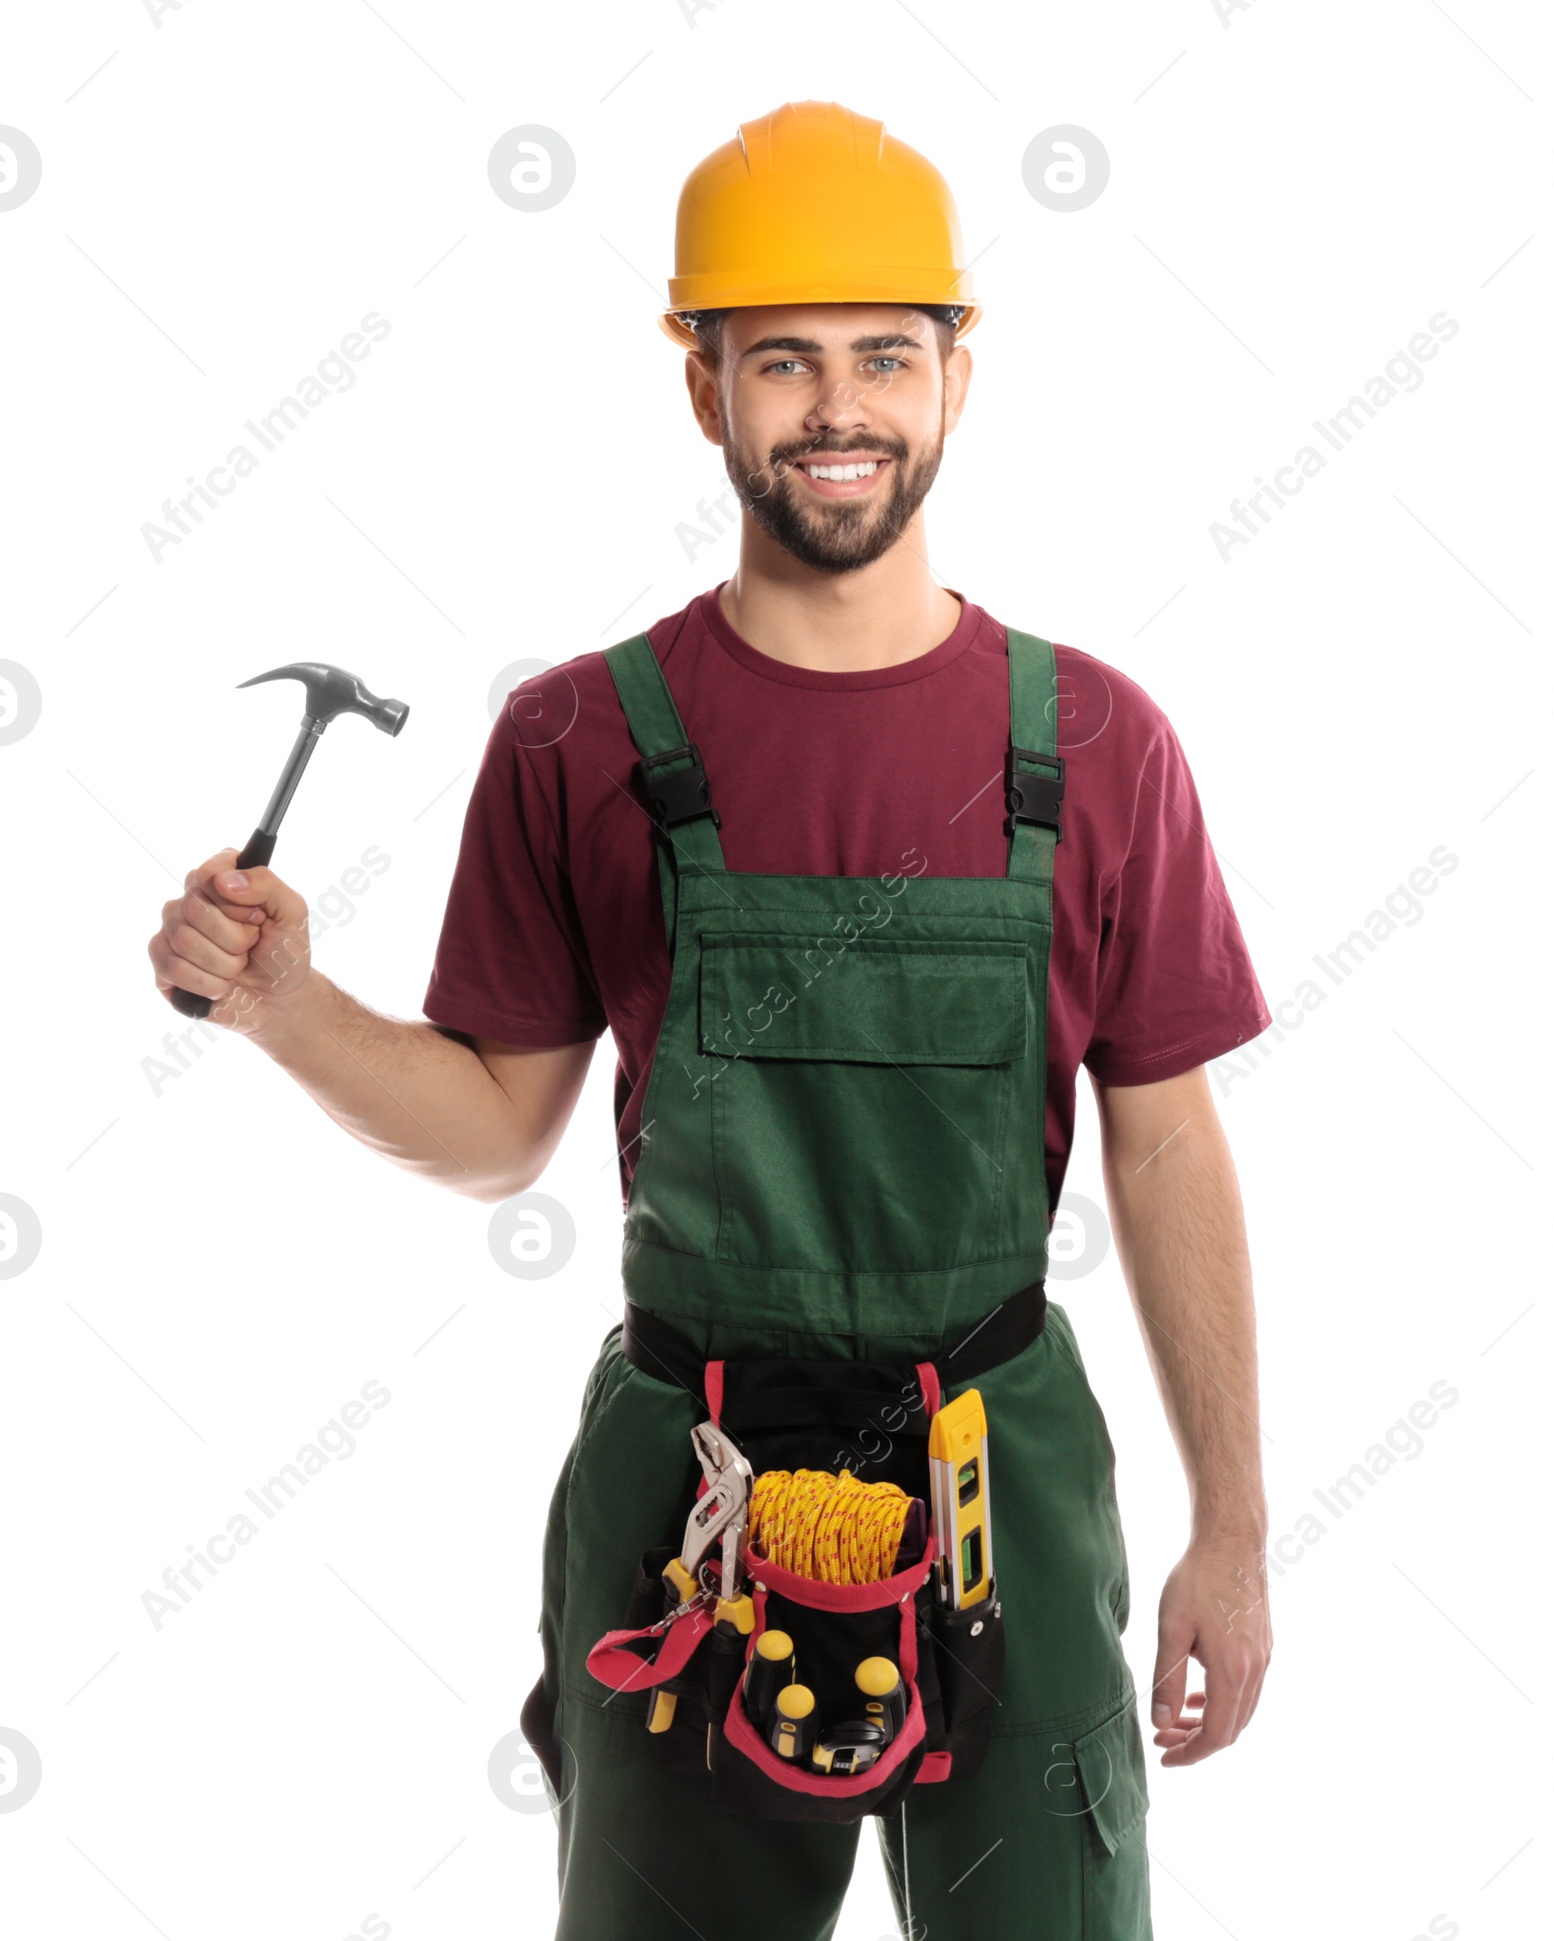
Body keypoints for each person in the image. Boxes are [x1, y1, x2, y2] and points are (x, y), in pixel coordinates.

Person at [149, 99, 1273, 1941]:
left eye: (885, 357)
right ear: (705, 388)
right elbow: (499, 1119)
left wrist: (1231, 1524)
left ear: (957, 377)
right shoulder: (582, 741)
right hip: (695, 1498)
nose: (841, 408)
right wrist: (284, 1003)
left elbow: (1164, 1139)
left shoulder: (1097, 746)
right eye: (785, 361)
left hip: (1005, 1483)